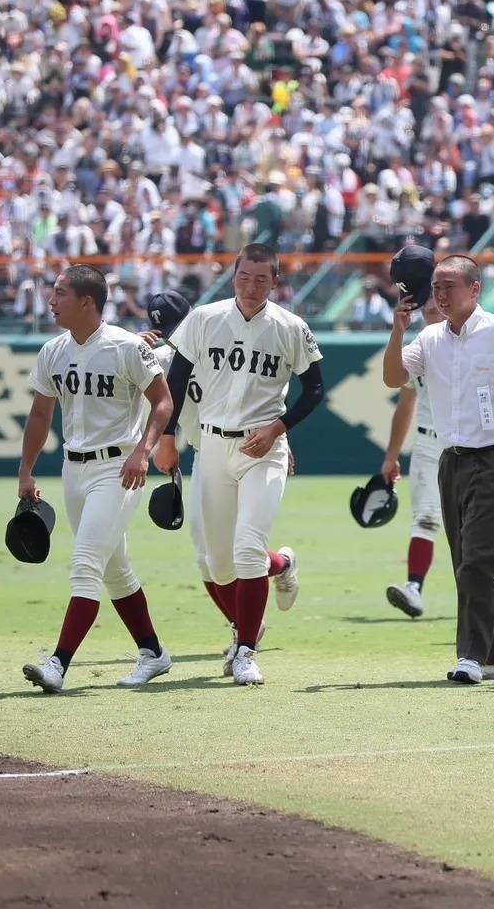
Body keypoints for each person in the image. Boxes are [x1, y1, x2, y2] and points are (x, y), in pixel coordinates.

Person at [163, 244, 324, 686]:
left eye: (261, 279)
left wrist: (278, 427)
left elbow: (314, 391)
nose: (251, 286)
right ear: (233, 276)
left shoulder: (291, 327)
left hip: (263, 448)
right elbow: (174, 385)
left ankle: (246, 650)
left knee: (247, 547)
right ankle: (283, 565)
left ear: (275, 281)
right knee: (217, 565)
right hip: (212, 446)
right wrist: (164, 440)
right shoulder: (205, 318)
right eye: (243, 277)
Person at [382, 255, 494, 684]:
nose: (440, 292)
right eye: (437, 285)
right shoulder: (431, 336)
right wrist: (398, 330)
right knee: (469, 564)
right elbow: (392, 377)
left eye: (449, 285)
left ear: (475, 290)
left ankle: (469, 657)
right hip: (450, 461)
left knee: (476, 560)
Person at [18, 265, 175, 694]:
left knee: (85, 564)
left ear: (87, 301)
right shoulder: (53, 350)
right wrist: (26, 471)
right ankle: (154, 653)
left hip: (119, 468)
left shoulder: (126, 347)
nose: (52, 301)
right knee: (115, 570)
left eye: (60, 293)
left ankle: (58, 665)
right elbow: (39, 414)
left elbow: (163, 403)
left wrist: (143, 452)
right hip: (74, 467)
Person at [147, 292, 298, 677]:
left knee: (243, 549)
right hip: (205, 453)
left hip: (248, 449)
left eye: (173, 329)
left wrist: (283, 440)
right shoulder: (166, 358)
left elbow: (263, 394)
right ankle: (273, 575)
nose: (169, 337)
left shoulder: (220, 340)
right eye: (163, 331)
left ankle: (245, 635)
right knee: (208, 559)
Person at [385, 300, 449, 620]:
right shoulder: (417, 348)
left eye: (439, 304)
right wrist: (392, 455)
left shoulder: (470, 342)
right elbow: (405, 403)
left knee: (472, 526)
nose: (433, 310)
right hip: (426, 443)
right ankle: (414, 587)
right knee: (424, 518)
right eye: (429, 305)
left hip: (465, 445)